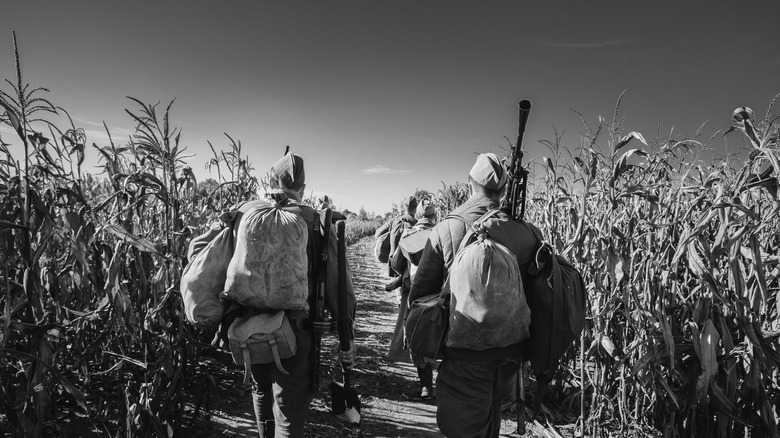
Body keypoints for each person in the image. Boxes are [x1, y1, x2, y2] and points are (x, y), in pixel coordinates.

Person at [221, 152, 357, 438]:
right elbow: (338, 285)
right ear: (303, 189)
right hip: (296, 333)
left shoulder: (246, 213)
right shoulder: (314, 220)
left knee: (260, 391)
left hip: (247, 329)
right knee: (289, 412)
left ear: (270, 182)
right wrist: (347, 333)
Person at [408, 153, 541, 438]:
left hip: (463, 357)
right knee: (491, 421)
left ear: (470, 186)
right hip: (510, 356)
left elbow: (420, 295)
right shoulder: (527, 233)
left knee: (465, 429)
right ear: (504, 190)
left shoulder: (448, 227)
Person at [386, 197, 438, 400]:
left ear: (417, 216)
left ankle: (426, 386)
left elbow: (397, 264)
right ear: (435, 217)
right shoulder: (441, 233)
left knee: (415, 335)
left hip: (414, 293)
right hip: (440, 293)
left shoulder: (409, 234)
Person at [384, 196, 418, 291]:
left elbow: (377, 234)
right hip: (405, 265)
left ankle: (399, 281)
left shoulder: (395, 220)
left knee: (399, 293)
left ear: (404, 207)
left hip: (392, 262)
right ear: (416, 208)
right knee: (404, 292)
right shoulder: (416, 223)